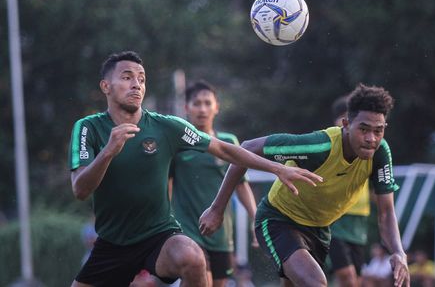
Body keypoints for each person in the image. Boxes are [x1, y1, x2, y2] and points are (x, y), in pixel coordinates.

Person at [67, 51, 321, 287]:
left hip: (159, 235)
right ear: (105, 86)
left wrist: (276, 168)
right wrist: (108, 152)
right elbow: (80, 189)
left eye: (142, 79)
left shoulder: (166, 127)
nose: (137, 84)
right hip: (112, 243)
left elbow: (224, 149)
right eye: (127, 77)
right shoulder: (89, 128)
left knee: (193, 258)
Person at [199, 83, 410, 287]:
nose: (371, 138)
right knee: (315, 282)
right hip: (278, 219)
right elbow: (247, 147)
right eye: (363, 129)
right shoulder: (320, 146)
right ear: (346, 124)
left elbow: (386, 212)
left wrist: (398, 252)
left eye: (378, 131)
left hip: (319, 229)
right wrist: (217, 209)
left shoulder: (380, 152)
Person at [168, 80, 257, 287]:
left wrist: (255, 219)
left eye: (208, 103)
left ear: (216, 107)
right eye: (197, 103)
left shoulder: (228, 142)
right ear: (186, 108)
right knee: (200, 280)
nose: (202, 109)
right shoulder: (177, 145)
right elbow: (167, 185)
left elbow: (241, 185)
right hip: (188, 230)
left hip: (221, 236)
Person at [328, 95, 371, 287]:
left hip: (359, 219)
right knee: (347, 276)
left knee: (357, 280)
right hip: (336, 217)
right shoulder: (332, 142)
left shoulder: (368, 146)